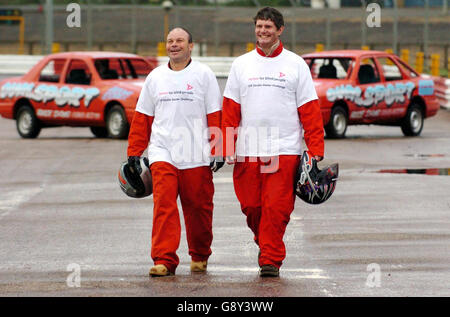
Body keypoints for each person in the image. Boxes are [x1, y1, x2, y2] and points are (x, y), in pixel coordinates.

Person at [221, 7, 324, 277]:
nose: (262, 31)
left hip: (284, 150)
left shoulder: (295, 64)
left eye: (268, 27)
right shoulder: (241, 65)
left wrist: (315, 150)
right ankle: (266, 242)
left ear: (280, 30)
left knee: (276, 208)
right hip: (248, 150)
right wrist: (226, 145)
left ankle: (270, 259)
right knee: (252, 206)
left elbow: (310, 110)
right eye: (259, 26)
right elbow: (230, 109)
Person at [127, 27, 223, 277]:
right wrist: (135, 152)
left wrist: (219, 148)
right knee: (164, 204)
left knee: (199, 209)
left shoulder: (204, 74)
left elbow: (215, 114)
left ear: (191, 46)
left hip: (197, 153)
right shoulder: (155, 77)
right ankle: (164, 258)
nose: (174, 44)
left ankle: (200, 254)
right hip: (163, 151)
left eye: (180, 40)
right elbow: (143, 117)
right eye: (170, 41)